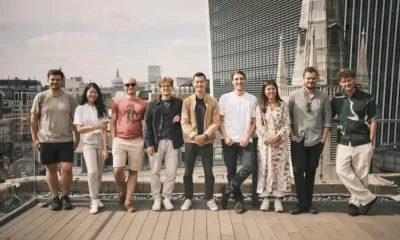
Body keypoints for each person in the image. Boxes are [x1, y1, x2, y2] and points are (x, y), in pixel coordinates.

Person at [30, 69, 79, 210]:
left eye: (58, 79)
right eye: (52, 79)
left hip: (65, 139)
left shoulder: (70, 98)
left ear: (61, 81)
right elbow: (33, 121)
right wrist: (35, 138)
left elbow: (76, 120)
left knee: (67, 169)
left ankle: (65, 196)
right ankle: (54, 197)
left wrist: (77, 138)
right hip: (46, 140)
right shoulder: (40, 97)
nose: (55, 82)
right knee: (50, 169)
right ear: (48, 80)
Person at [331, 69, 378, 216]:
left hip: (363, 141)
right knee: (341, 170)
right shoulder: (337, 98)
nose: (347, 83)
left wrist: (371, 141)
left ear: (354, 79)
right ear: (340, 83)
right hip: (344, 142)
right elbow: (327, 114)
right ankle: (368, 198)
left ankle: (355, 203)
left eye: (349, 80)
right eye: (344, 81)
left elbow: (373, 120)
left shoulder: (367, 98)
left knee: (361, 175)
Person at [288, 66, 331, 215]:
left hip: (316, 140)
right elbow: (287, 119)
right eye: (308, 78)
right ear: (303, 79)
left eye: (313, 78)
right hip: (298, 140)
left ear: (317, 79)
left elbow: (327, 121)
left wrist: (323, 140)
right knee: (298, 172)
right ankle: (301, 204)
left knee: (311, 172)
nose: (311, 81)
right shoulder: (294, 95)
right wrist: (291, 136)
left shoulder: (324, 97)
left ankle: (309, 204)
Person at [219, 70, 257, 214]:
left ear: (244, 81)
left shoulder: (252, 99)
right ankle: (239, 201)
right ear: (232, 82)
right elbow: (220, 121)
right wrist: (226, 136)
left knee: (249, 166)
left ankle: (227, 190)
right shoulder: (225, 98)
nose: (239, 82)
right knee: (231, 171)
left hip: (245, 140)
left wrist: (248, 137)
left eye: (241, 79)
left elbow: (254, 122)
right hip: (228, 141)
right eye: (236, 79)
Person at [181, 72, 219, 211]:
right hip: (191, 142)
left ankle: (209, 199)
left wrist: (205, 136)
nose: (199, 84)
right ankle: (188, 198)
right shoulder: (187, 102)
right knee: (187, 172)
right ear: (193, 83)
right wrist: (195, 136)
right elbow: (184, 122)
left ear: (206, 83)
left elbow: (216, 122)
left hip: (207, 142)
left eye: (202, 81)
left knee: (209, 172)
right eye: (197, 82)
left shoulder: (213, 101)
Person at [144, 77, 184, 211]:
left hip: (173, 142)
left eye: (168, 86)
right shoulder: (152, 104)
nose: (166, 88)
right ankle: (156, 198)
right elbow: (147, 126)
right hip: (156, 142)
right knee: (155, 172)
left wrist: (179, 115)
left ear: (172, 88)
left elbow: (185, 114)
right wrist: (148, 143)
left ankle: (167, 197)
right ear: (159, 89)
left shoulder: (179, 102)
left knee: (171, 172)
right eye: (163, 86)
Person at [111, 77, 147, 213]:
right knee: (117, 170)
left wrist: (143, 140)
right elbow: (113, 121)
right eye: (128, 84)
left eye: (133, 84)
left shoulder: (144, 104)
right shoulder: (117, 102)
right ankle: (122, 189)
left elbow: (147, 123)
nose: (130, 86)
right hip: (120, 140)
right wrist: (114, 139)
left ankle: (128, 201)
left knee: (133, 172)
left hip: (136, 140)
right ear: (123, 86)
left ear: (137, 86)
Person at [256, 80, 291, 212]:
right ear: (264, 91)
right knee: (264, 170)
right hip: (265, 146)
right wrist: (270, 139)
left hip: (280, 145)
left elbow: (287, 124)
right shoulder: (260, 106)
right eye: (268, 89)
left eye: (273, 89)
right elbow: (259, 127)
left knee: (280, 171)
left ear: (276, 89)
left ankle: (278, 200)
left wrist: (278, 137)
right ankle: (265, 199)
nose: (271, 91)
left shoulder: (283, 105)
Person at [74, 83, 109, 214]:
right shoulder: (80, 109)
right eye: (90, 92)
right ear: (86, 93)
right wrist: (97, 127)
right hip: (88, 142)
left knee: (99, 173)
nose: (93, 94)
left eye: (95, 92)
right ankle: (93, 200)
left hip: (100, 142)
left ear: (98, 94)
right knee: (92, 172)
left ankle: (97, 197)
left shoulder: (102, 108)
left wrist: (106, 148)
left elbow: (105, 130)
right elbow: (79, 129)